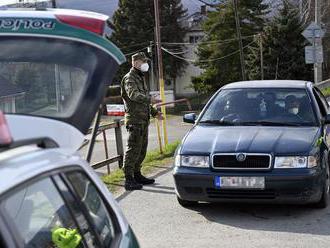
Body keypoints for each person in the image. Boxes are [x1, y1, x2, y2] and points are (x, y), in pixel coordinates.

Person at [121, 52, 163, 191]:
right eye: (143, 61)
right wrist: (150, 99)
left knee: (141, 150)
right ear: (136, 62)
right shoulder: (130, 78)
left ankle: (137, 174)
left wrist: (155, 113)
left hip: (143, 120)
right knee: (133, 149)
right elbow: (134, 95)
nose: (146, 64)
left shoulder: (140, 77)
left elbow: (144, 101)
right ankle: (128, 179)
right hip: (134, 120)